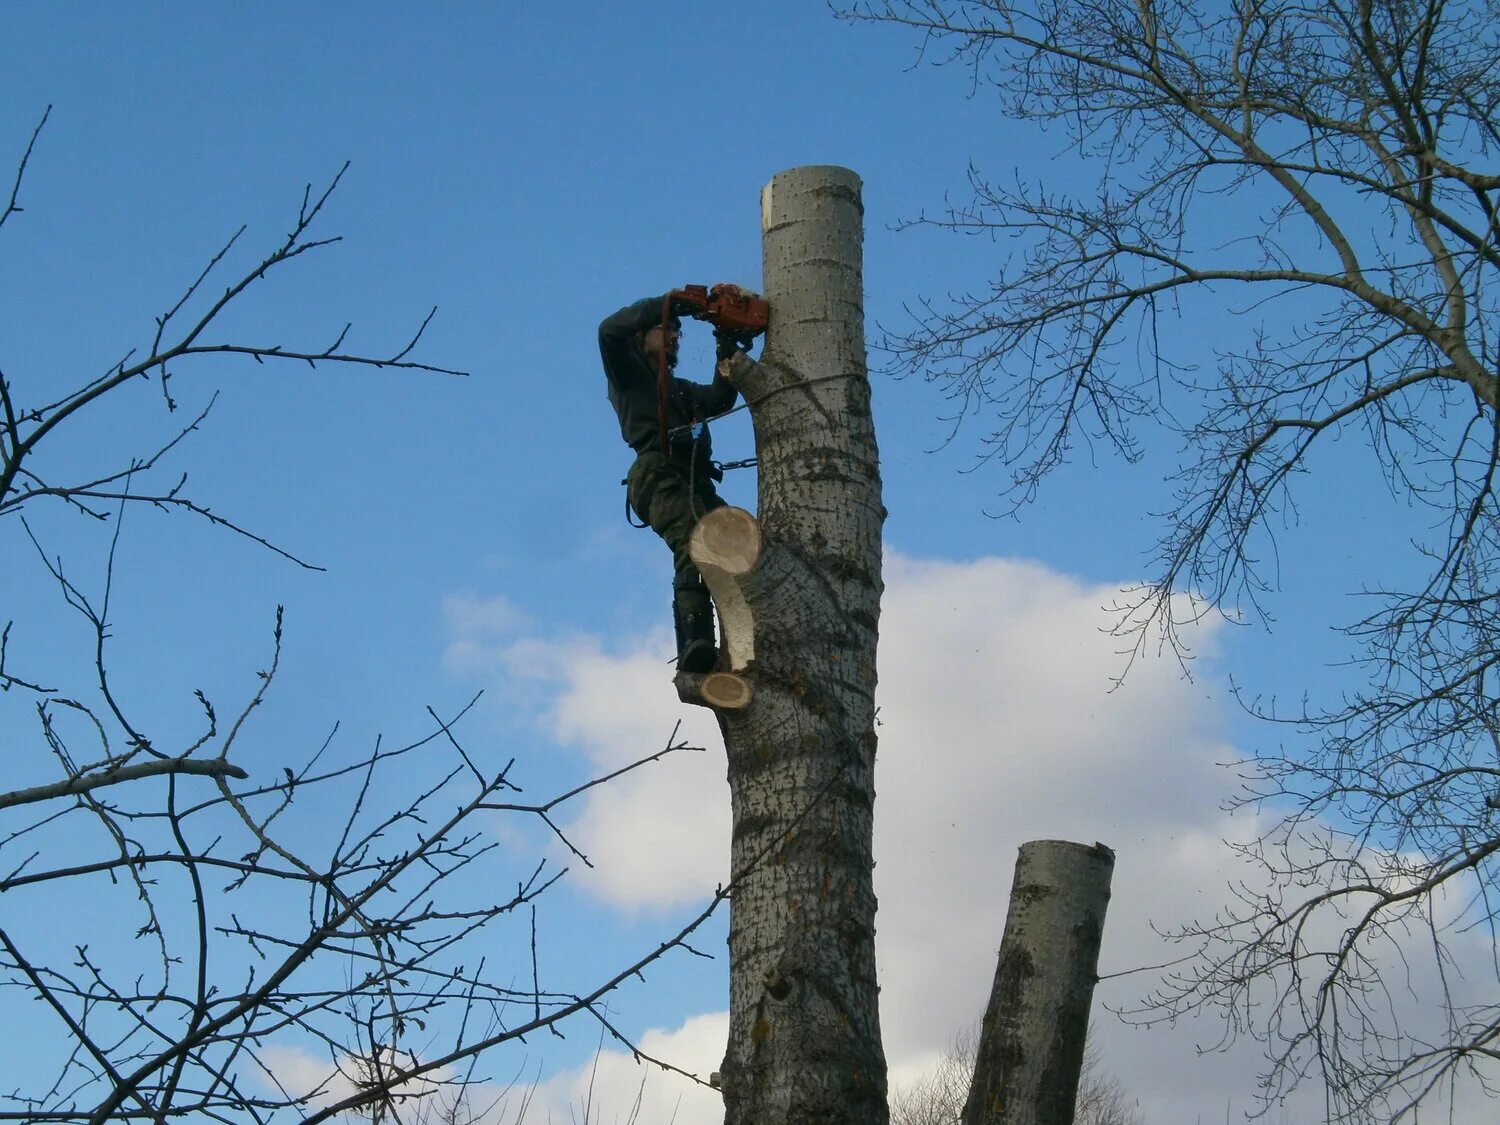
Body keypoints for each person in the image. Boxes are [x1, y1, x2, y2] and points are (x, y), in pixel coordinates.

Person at [600, 293, 744, 673]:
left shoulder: (681, 389)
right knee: (692, 542)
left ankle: (744, 636)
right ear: (640, 336)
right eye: (665, 329)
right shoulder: (629, 375)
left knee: (739, 547)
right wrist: (667, 304)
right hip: (658, 474)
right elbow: (608, 331)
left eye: (678, 331)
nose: (675, 336)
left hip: (696, 481)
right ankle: (695, 642)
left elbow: (719, 398)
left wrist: (725, 344)